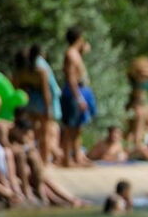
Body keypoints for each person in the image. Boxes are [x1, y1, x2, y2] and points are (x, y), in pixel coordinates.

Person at [12, 45, 61, 164]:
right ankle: (44, 161)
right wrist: (49, 109)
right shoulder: (41, 72)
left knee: (31, 132)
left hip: (29, 103)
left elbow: (17, 89)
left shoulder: (20, 73)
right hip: (40, 104)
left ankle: (35, 159)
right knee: (44, 133)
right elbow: (46, 92)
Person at [60, 26, 96, 167]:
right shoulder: (70, 54)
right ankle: (67, 160)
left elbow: (86, 50)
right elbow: (70, 77)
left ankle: (78, 157)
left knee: (78, 127)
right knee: (70, 128)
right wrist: (79, 97)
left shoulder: (76, 53)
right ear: (79, 38)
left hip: (80, 90)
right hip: (74, 92)